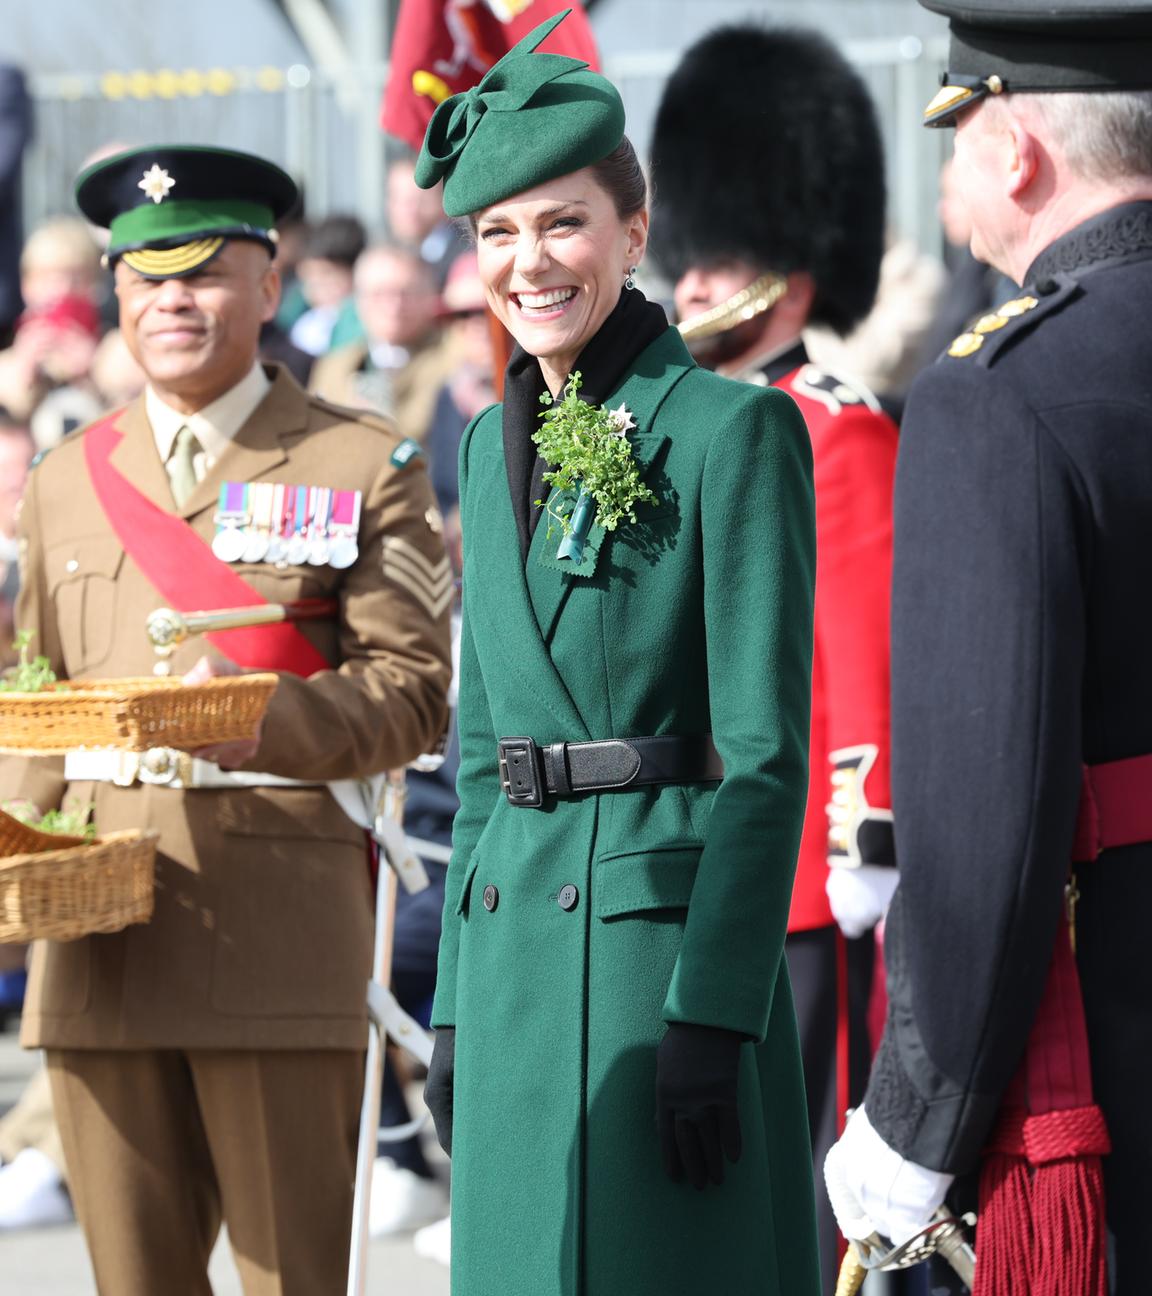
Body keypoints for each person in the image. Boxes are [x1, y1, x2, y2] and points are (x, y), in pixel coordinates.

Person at [0, 143, 452, 1296]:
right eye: (145, 278)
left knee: (293, 1280)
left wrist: (262, 720)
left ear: (269, 278)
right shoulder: (62, 477)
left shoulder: (359, 460)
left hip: (278, 943)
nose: (171, 303)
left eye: (201, 272)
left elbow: (414, 695)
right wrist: (14, 853)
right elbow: (38, 698)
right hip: (101, 946)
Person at [415, 13, 821, 1295]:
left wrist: (716, 1006)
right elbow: (485, 752)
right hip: (515, 968)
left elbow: (764, 761)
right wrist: (454, 1005)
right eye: (497, 235)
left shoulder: (731, 433)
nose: (529, 264)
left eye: (562, 223)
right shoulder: (486, 448)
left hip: (656, 975)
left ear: (634, 232)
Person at [824, 5, 1152, 1295]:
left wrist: (915, 1118)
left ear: (1015, 148)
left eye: (956, 141)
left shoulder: (1001, 389)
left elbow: (986, 827)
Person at [649, 26, 899, 1294]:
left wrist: (867, 838)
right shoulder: (692, 431)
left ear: (789, 285)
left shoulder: (831, 431)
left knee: (809, 1170)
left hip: (804, 868)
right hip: (691, 850)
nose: (687, 287)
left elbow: (859, 654)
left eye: (720, 265)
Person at [310, 243, 456, 444]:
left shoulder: (454, 358)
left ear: (430, 297)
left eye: (406, 293)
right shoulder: (334, 366)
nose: (394, 306)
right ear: (359, 301)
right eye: (380, 294)